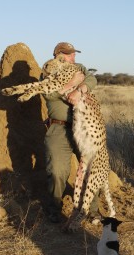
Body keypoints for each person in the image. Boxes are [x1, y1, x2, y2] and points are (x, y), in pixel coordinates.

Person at [42, 42, 100, 223]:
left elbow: (92, 79)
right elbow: (49, 93)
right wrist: (73, 83)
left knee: (92, 167)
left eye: (74, 54)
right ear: (58, 56)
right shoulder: (48, 71)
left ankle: (92, 210)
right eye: (69, 54)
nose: (73, 57)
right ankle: (54, 209)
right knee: (58, 170)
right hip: (59, 127)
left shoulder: (80, 68)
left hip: (84, 127)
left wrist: (80, 89)